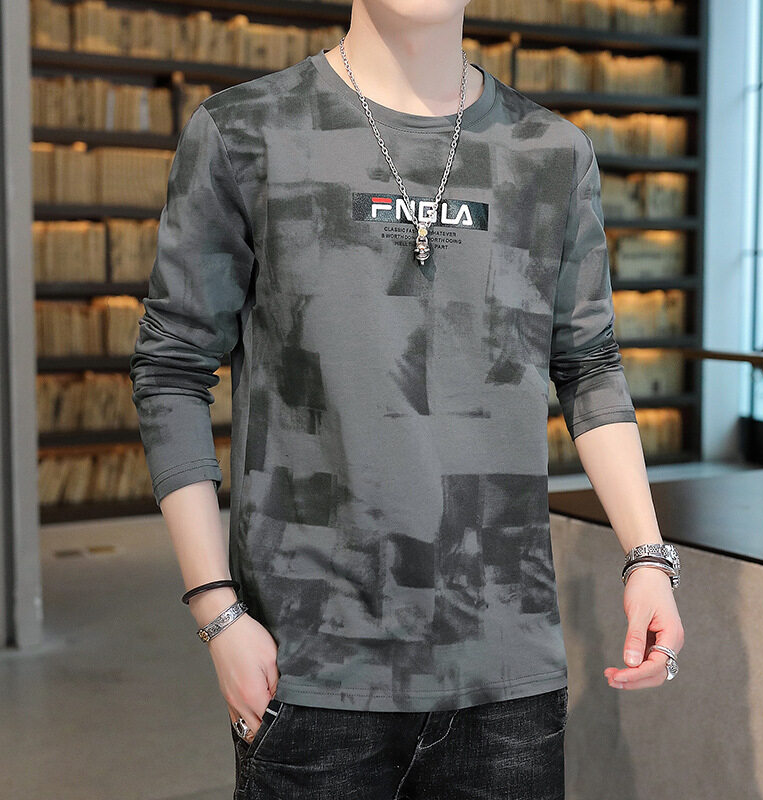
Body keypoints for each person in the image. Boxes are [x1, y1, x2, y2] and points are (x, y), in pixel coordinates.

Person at [129, 1, 685, 797]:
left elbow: (589, 364)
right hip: (309, 665)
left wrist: (647, 557)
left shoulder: (552, 152)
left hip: (506, 671)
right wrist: (217, 613)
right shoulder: (247, 131)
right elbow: (172, 368)